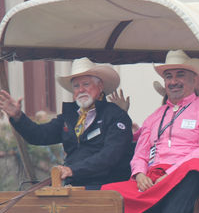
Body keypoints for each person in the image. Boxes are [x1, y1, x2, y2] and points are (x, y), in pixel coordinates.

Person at [102, 50, 199, 213]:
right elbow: (140, 152)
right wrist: (140, 174)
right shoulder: (155, 116)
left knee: (195, 168)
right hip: (156, 177)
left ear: (194, 80)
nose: (173, 81)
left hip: (191, 174)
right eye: (169, 76)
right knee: (108, 192)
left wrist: (174, 172)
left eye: (180, 75)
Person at [0, 57, 133, 188]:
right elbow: (38, 135)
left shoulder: (116, 115)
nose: (81, 90)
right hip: (73, 187)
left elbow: (111, 155)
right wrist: (18, 116)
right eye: (76, 86)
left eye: (86, 84)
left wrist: (72, 170)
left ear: (100, 86)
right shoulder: (69, 117)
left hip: (105, 188)